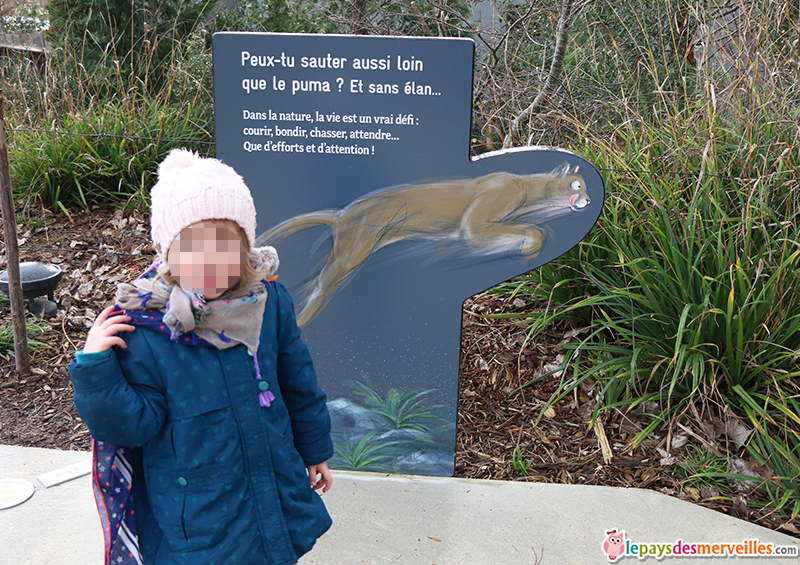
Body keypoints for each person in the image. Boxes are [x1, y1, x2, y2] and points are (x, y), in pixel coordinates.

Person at [68, 148, 333, 565]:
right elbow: (133, 425)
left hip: (270, 479)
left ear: (245, 247)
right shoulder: (146, 329)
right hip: (198, 508)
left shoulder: (269, 303)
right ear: (167, 254)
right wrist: (95, 369)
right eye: (192, 246)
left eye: (223, 245)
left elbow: (298, 382)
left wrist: (314, 449)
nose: (209, 260)